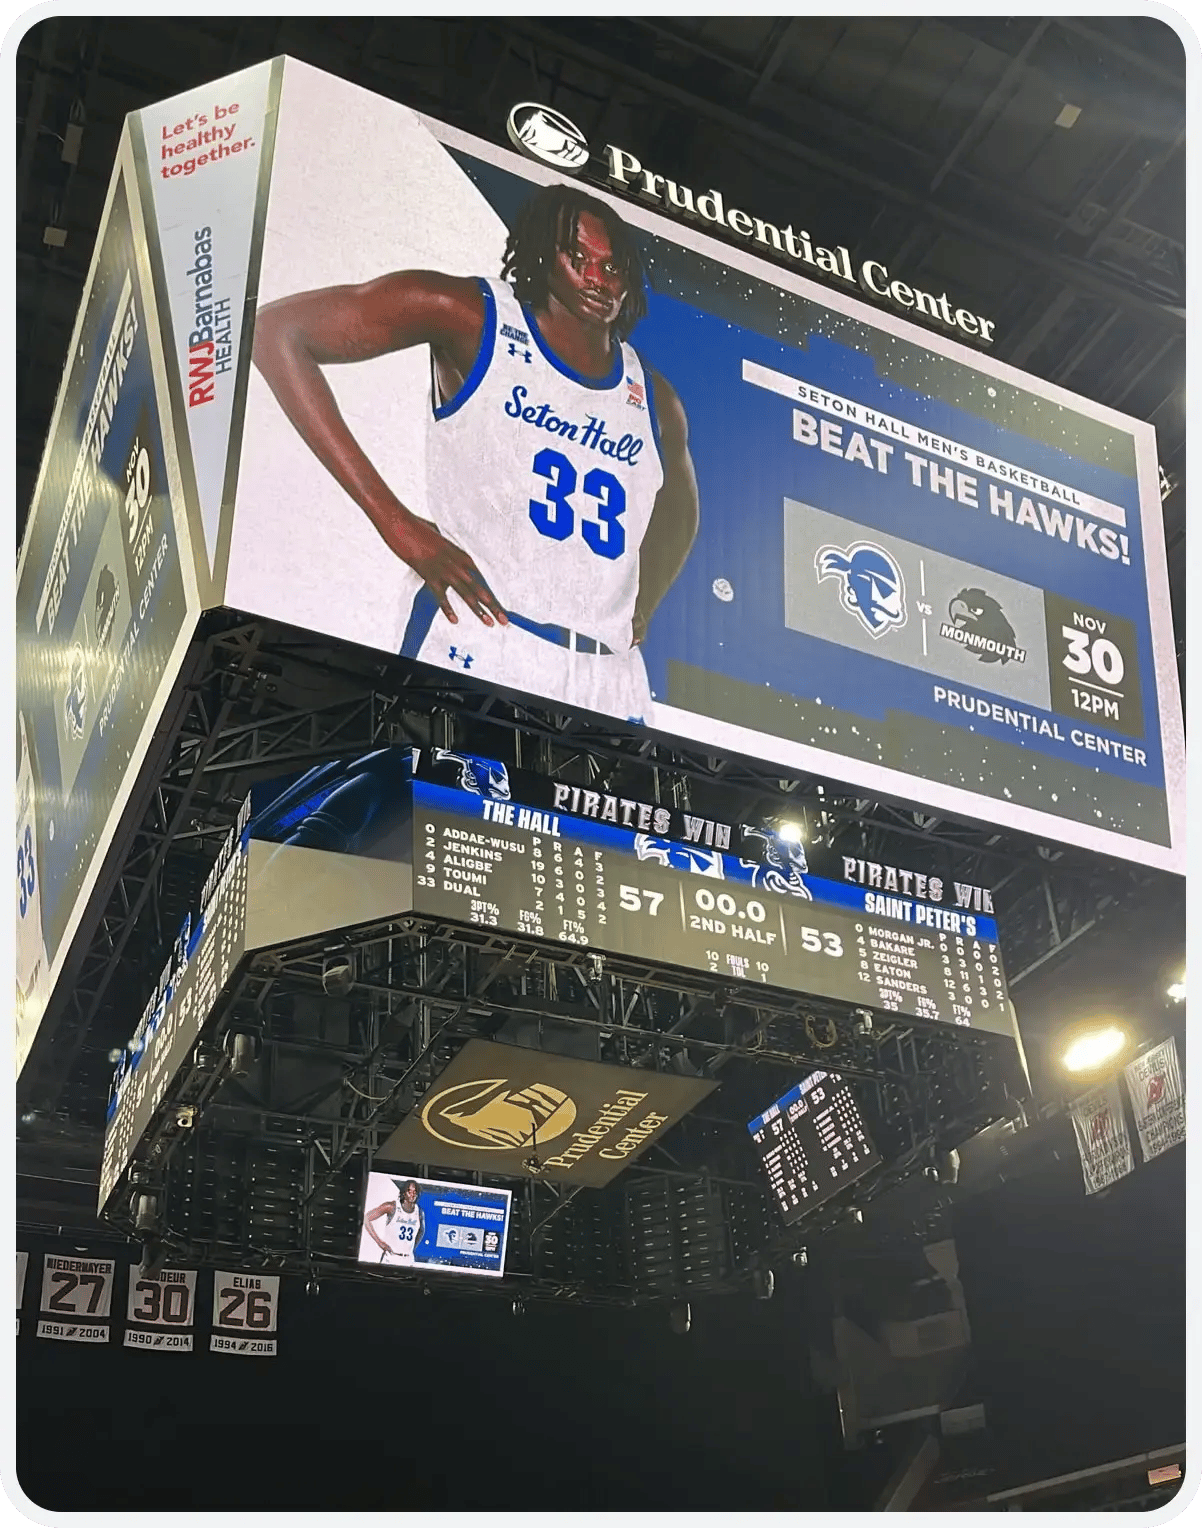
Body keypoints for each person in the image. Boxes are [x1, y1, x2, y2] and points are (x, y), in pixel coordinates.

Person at [252, 183, 699, 724]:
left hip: (607, 672)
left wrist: (645, 601)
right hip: (486, 634)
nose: (596, 279)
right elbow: (279, 332)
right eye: (577, 257)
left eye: (611, 267)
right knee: (436, 808)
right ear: (542, 255)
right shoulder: (471, 316)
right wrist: (397, 526)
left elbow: (680, 505)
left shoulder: (653, 396)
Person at [362, 1178, 425, 1267]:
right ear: (404, 1193)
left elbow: (421, 1231)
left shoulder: (419, 1212)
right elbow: (366, 1218)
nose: (412, 1194)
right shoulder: (391, 1206)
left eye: (415, 1191)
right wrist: (379, 1242)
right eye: (409, 1191)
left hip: (408, 1260)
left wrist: (411, 1248)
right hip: (391, 1258)